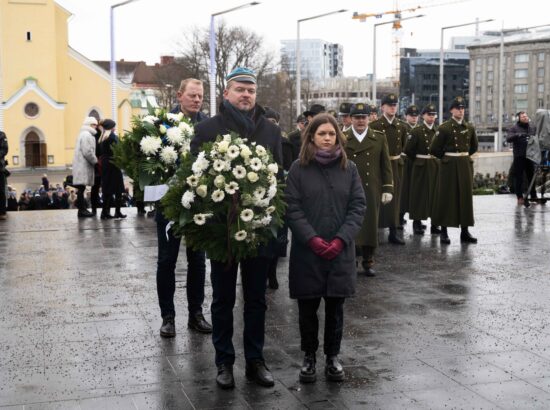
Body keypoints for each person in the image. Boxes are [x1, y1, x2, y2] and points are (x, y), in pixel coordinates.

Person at [191, 67, 283, 389]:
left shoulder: (270, 133)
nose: (246, 95)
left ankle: (256, 360)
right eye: (240, 89)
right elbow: (194, 180)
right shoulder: (206, 130)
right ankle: (224, 361)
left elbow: (279, 181)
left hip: (258, 232)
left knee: (257, 299)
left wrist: (273, 225)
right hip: (222, 233)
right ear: (227, 92)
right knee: (223, 299)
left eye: (251, 90)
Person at [285, 113, 366, 383]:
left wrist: (341, 239)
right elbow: (292, 208)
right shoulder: (298, 168)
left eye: (332, 134)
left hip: (339, 251)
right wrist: (312, 239)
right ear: (311, 136)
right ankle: (309, 357)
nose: (327, 138)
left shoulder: (349, 167)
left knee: (335, 308)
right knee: (307, 308)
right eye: (322, 134)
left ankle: (333, 357)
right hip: (308, 251)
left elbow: (357, 206)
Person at [156, 78, 212, 340]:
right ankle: (168, 317)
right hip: (169, 202)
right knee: (167, 260)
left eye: (200, 96)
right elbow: (151, 160)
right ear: (179, 95)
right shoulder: (163, 124)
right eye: (192, 95)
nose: (197, 100)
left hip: (198, 203)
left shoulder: (208, 125)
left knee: (198, 261)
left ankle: (196, 314)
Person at [344, 103, 393, 277]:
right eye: (356, 117)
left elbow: (385, 165)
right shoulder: (343, 137)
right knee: (351, 223)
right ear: (351, 119)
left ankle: (368, 260)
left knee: (370, 224)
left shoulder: (378, 137)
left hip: (371, 187)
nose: (360, 121)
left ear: (369, 118)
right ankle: (351, 259)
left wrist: (388, 187)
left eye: (363, 117)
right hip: (349, 188)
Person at [430, 96, 478, 245]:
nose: (461, 111)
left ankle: (465, 231)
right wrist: (447, 159)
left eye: (463, 108)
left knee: (465, 198)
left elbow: (473, 146)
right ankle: (444, 231)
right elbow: (434, 149)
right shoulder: (444, 128)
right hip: (448, 166)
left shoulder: (469, 127)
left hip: (464, 164)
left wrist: (462, 157)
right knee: (446, 198)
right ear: (451, 110)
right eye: (458, 108)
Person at [370, 94, 408, 245]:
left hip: (395, 165)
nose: (393, 107)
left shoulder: (401, 126)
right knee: (378, 198)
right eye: (389, 105)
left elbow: (404, 146)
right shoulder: (375, 126)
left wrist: (400, 160)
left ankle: (393, 231)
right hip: (380, 167)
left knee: (395, 198)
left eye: (395, 104)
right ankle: (375, 230)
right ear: (382, 107)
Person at [405, 104, 441, 235]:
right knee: (419, 195)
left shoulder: (437, 131)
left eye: (433, 115)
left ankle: (435, 224)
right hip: (420, 166)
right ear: (423, 116)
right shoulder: (417, 131)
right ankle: (417, 222)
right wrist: (418, 161)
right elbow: (408, 150)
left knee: (435, 195)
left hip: (434, 165)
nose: (431, 117)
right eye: (429, 114)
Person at [506, 111, 537, 205]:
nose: (525, 117)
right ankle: (519, 197)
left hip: (530, 156)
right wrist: (518, 135)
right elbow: (508, 139)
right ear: (518, 118)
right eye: (523, 116)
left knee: (531, 177)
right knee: (519, 177)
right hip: (519, 156)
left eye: (526, 116)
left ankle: (533, 195)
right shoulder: (514, 128)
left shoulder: (532, 128)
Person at [98, 119, 126, 219]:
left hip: (107, 165)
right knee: (118, 190)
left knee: (107, 190)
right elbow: (119, 150)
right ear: (110, 128)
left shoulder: (102, 137)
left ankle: (104, 212)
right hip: (114, 165)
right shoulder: (112, 138)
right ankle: (117, 212)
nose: (115, 128)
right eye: (114, 126)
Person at [72, 117, 98, 218]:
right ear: (89, 125)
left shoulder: (83, 134)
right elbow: (87, 151)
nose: (96, 126)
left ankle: (82, 210)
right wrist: (95, 161)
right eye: (94, 124)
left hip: (81, 165)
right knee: (81, 189)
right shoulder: (87, 135)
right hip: (83, 165)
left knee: (81, 189)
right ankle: (82, 211)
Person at [400, 104, 420, 230]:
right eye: (411, 116)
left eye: (415, 116)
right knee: (404, 191)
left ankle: (417, 220)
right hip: (404, 162)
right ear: (406, 116)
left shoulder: (420, 129)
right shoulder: (402, 128)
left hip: (417, 163)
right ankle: (399, 217)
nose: (414, 118)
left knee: (417, 192)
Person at [0, 130, 8, 220]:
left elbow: (5, 149)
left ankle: (2, 212)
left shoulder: (1, 135)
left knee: (1, 191)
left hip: (0, 168)